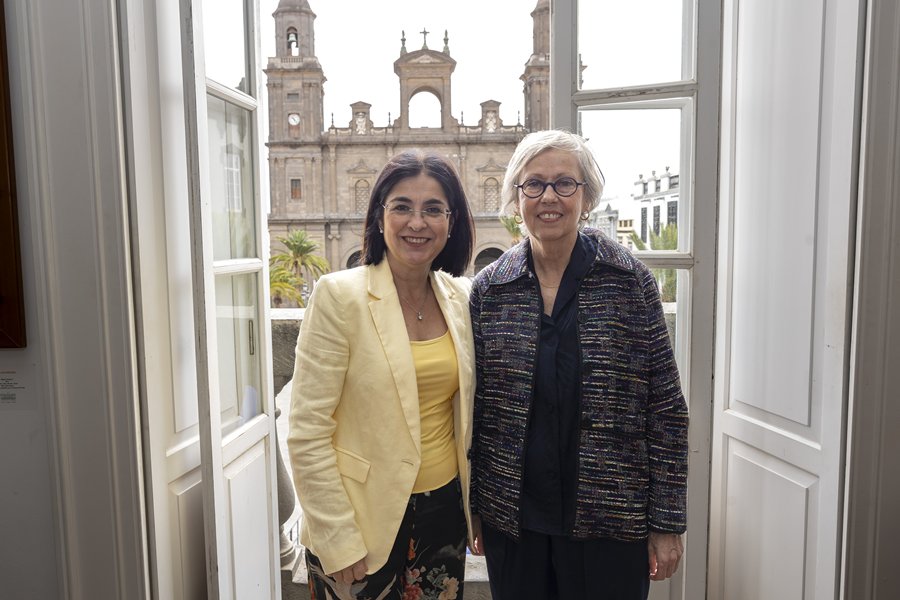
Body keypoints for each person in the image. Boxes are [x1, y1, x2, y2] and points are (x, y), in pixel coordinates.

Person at [468, 130, 689, 599]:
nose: (549, 196)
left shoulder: (629, 281)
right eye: (534, 184)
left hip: (611, 518)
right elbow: (476, 412)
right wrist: (476, 508)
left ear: (585, 197)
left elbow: (666, 408)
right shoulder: (491, 289)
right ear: (516, 198)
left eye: (564, 183)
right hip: (516, 521)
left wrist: (666, 522)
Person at [287, 150, 477, 600]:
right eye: (402, 207)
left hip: (444, 515)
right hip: (359, 520)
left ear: (451, 223)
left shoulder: (463, 298)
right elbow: (308, 429)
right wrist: (337, 537)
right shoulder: (339, 296)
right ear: (378, 217)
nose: (417, 222)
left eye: (433, 209)